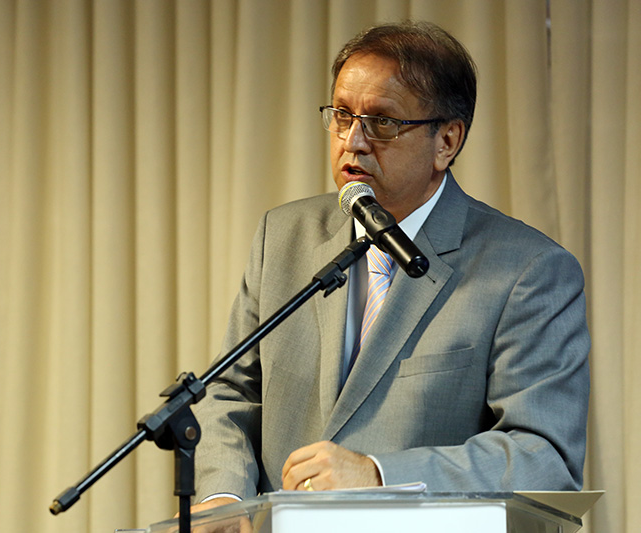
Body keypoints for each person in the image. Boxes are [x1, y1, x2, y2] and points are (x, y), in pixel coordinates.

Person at [190, 20, 590, 513]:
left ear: (447, 141)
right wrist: (224, 497)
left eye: (382, 122)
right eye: (342, 115)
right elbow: (229, 392)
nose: (353, 142)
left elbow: (544, 456)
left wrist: (379, 474)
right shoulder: (284, 237)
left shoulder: (528, 270)